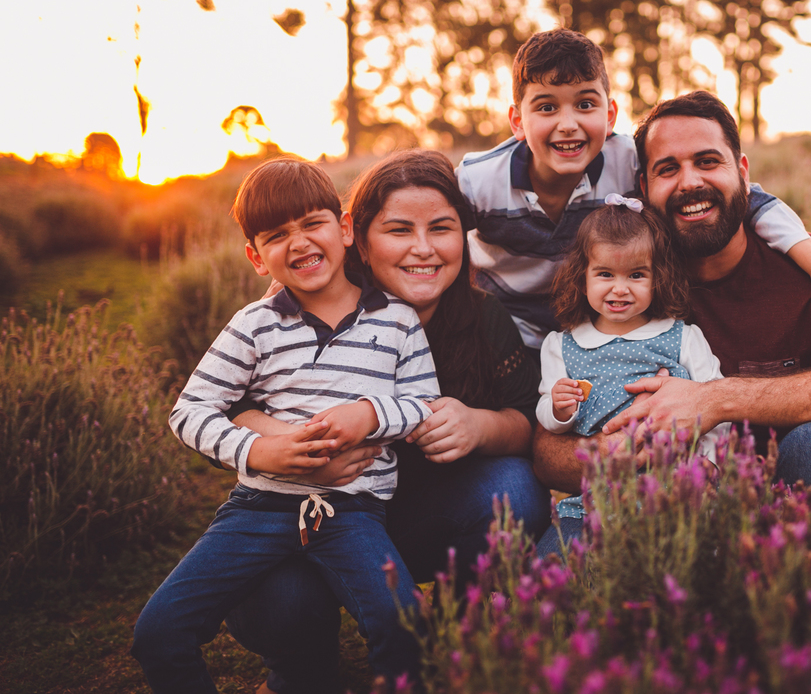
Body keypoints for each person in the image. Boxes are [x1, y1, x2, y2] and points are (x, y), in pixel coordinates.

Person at [220, 150, 551, 694]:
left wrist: (480, 425)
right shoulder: (300, 303)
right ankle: (304, 668)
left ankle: (461, 629)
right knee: (274, 604)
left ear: (462, 237)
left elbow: (525, 421)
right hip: (313, 517)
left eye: (441, 229)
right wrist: (299, 447)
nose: (423, 248)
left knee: (514, 487)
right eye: (399, 230)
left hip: (419, 518)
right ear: (357, 236)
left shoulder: (481, 315)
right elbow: (234, 407)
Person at [132, 157, 437, 691]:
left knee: (402, 624)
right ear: (256, 257)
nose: (298, 243)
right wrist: (257, 451)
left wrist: (367, 414)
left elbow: (421, 402)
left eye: (311, 224)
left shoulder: (396, 320)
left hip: (353, 510)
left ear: (343, 229)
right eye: (277, 235)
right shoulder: (254, 324)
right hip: (257, 509)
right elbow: (189, 411)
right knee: (158, 632)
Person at [531, 91, 811, 507]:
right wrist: (609, 453)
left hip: (796, 504)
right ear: (644, 187)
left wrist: (712, 400)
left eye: (708, 161)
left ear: (743, 172)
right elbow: (547, 453)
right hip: (665, 508)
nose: (691, 182)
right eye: (668, 169)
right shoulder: (624, 286)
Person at [456, 27, 811, 354]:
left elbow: (742, 196)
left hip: (600, 328)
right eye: (547, 107)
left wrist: (809, 251)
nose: (568, 123)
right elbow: (432, 233)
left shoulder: (626, 161)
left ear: (610, 113)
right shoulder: (479, 179)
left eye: (585, 104)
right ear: (516, 121)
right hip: (507, 332)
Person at [535, 195, 731, 553]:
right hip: (596, 502)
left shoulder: (681, 337)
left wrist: (711, 463)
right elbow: (549, 420)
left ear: (658, 278)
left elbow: (717, 406)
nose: (620, 288)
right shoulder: (562, 346)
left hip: (679, 491)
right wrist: (560, 408)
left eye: (636, 275)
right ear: (582, 279)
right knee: (552, 573)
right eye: (605, 274)